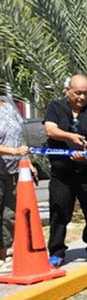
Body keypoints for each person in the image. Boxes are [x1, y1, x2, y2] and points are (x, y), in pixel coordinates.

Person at [43, 74, 87, 267]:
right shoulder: (56, 107)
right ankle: (57, 251)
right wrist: (71, 137)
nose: (81, 97)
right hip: (62, 173)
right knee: (59, 211)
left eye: (85, 93)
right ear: (68, 91)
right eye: (77, 93)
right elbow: (50, 130)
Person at [0, 96, 28, 266]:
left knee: (10, 214)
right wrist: (14, 150)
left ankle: (9, 253)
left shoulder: (8, 105)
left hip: (13, 170)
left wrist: (26, 160)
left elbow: (20, 137)